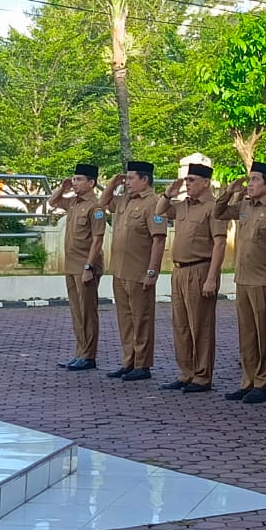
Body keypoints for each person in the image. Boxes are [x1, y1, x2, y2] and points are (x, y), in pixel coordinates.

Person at [215, 161, 266, 404]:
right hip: (244, 280)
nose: (250, 184)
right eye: (250, 179)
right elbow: (218, 212)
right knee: (247, 334)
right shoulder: (245, 205)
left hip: (264, 282)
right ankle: (247, 382)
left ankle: (263, 383)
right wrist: (229, 191)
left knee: (265, 335)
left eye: (256, 179)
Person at [155, 163, 228, 394]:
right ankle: (186, 372)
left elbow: (220, 243)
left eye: (192, 180)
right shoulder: (182, 206)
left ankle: (202, 376)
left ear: (206, 183)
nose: (187, 184)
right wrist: (168, 194)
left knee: (201, 325)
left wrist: (212, 277)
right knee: (181, 325)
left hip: (200, 269)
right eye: (187, 180)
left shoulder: (213, 208)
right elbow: (160, 211)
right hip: (179, 270)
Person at [99, 161, 167, 381]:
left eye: (131, 178)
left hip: (139, 273)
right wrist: (112, 184)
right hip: (120, 271)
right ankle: (128, 361)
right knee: (125, 320)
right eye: (126, 178)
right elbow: (102, 202)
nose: (127, 182)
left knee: (141, 320)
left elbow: (158, 240)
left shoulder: (154, 203)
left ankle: (142, 364)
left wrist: (152, 272)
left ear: (144, 180)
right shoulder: (124, 200)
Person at [50, 163, 106, 372]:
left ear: (91, 183)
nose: (74, 183)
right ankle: (80, 352)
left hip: (86, 267)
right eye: (74, 179)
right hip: (71, 266)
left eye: (79, 179)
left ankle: (89, 356)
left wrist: (89, 266)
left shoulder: (96, 207)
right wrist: (62, 188)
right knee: (77, 312)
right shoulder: (73, 202)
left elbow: (98, 240)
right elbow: (52, 201)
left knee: (87, 312)